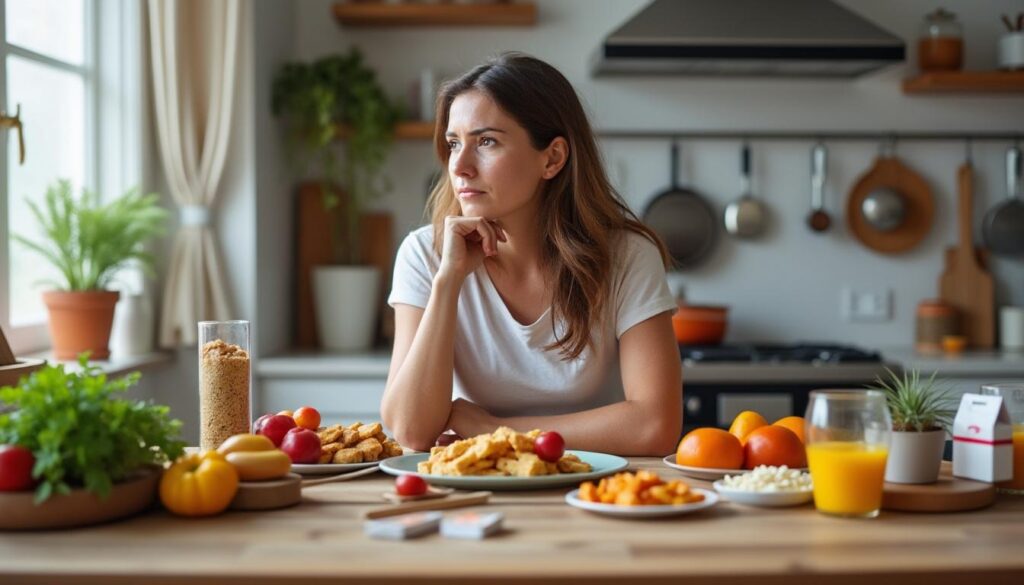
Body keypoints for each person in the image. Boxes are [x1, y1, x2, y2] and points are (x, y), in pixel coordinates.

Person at [382, 53, 681, 455]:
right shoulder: (426, 254)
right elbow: (410, 431)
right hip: (477, 490)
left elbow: (655, 425)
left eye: (487, 141)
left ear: (553, 158)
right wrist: (449, 281)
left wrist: (496, 430)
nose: (461, 167)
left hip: (599, 493)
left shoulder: (627, 256)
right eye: (455, 143)